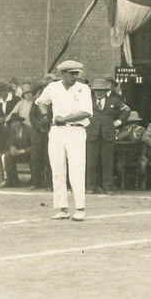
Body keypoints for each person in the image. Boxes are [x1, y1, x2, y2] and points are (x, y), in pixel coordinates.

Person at [35, 60, 93, 221]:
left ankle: (80, 208)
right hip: (56, 131)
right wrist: (46, 114)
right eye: (71, 73)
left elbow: (86, 112)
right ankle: (63, 208)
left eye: (76, 73)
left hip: (76, 131)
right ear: (63, 74)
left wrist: (65, 119)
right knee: (57, 169)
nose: (75, 76)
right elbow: (40, 102)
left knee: (77, 169)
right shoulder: (52, 87)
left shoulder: (84, 88)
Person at [85, 78, 131, 195]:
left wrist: (118, 122)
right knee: (91, 162)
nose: (99, 93)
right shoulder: (87, 101)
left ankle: (108, 187)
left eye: (101, 90)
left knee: (107, 162)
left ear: (106, 90)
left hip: (108, 135)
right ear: (93, 91)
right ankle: (91, 186)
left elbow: (127, 110)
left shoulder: (113, 101)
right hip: (92, 134)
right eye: (96, 90)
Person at [114, 111, 147, 190]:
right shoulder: (124, 129)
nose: (133, 123)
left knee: (143, 164)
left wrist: (134, 132)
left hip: (139, 154)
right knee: (119, 165)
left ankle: (141, 184)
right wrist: (129, 131)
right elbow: (119, 138)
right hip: (125, 155)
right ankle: (124, 183)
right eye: (131, 122)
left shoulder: (142, 129)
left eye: (135, 121)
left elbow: (137, 140)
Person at [1, 113, 34, 188]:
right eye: (12, 123)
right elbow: (9, 142)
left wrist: (22, 151)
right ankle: (12, 180)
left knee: (34, 155)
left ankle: (35, 181)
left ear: (20, 122)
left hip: (28, 153)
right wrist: (12, 148)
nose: (15, 124)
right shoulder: (11, 131)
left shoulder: (29, 129)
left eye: (16, 122)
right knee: (7, 155)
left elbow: (34, 146)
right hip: (18, 154)